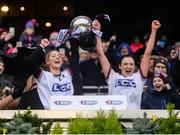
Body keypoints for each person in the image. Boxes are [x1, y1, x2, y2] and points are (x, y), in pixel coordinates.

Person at [95, 19, 161, 109]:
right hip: (114, 116)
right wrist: (97, 32)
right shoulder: (112, 76)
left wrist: (154, 30)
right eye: (125, 64)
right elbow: (100, 54)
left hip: (134, 117)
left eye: (131, 64)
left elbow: (148, 53)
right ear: (120, 66)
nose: (128, 66)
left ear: (134, 67)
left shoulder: (139, 77)